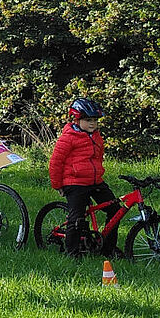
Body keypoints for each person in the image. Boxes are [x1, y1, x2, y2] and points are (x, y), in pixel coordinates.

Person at [49, 98, 119, 257]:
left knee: (115, 210)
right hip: (75, 182)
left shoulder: (96, 136)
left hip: (95, 182)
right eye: (88, 120)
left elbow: (98, 157)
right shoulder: (69, 137)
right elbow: (56, 162)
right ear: (77, 120)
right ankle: (72, 253)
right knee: (76, 219)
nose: (92, 123)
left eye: (95, 120)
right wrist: (58, 185)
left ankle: (108, 249)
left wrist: (98, 173)